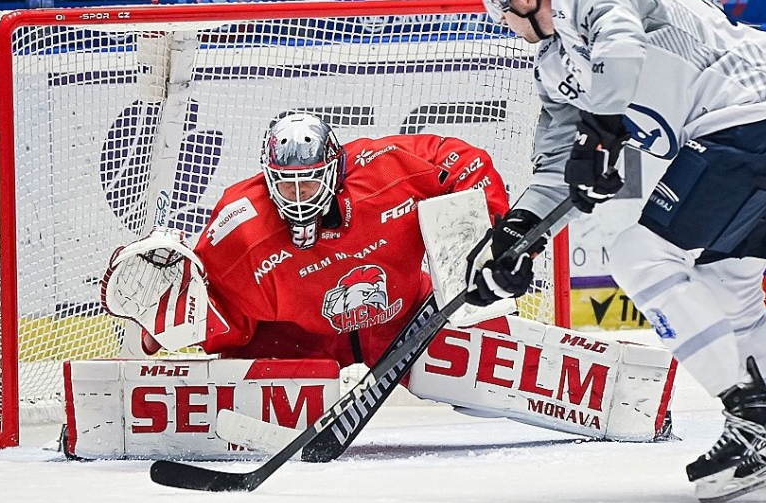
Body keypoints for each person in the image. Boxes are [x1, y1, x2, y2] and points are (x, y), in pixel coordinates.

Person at [465, 0, 766, 502]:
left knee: (638, 254)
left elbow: (619, 51)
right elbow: (553, 173)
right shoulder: (554, 66)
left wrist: (600, 133)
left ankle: (756, 423)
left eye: (499, 2)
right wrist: (516, 236)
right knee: (732, 286)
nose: (504, 21)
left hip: (748, 117)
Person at [107, 112, 510, 368]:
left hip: (410, 319)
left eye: (310, 180)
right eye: (287, 184)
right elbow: (217, 310)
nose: (300, 196)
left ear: (334, 170)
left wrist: (492, 237)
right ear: (268, 179)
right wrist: (163, 327)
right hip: (306, 346)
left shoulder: (385, 168)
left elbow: (463, 160)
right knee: (240, 363)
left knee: (502, 359)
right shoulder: (241, 224)